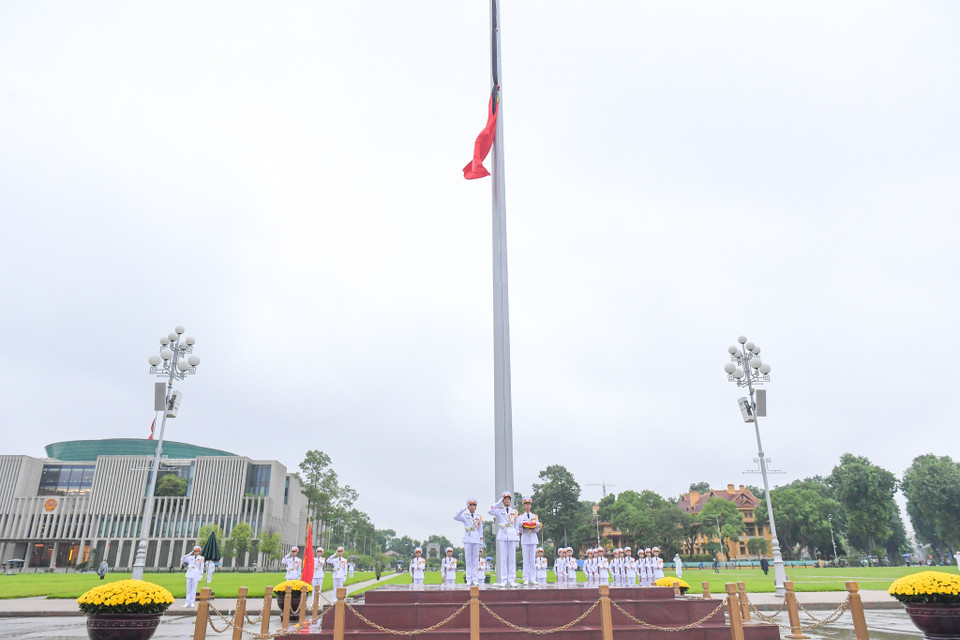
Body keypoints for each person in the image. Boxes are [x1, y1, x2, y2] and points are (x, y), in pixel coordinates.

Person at [488, 492, 520, 586]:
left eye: (508, 499)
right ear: (503, 501)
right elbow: (489, 511)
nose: (507, 501)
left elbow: (516, 525)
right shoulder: (499, 510)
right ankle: (504, 579)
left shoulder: (514, 512)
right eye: (505, 499)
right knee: (503, 559)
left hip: (512, 534)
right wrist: (498, 502)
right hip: (503, 534)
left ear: (510, 500)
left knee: (512, 558)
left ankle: (511, 580)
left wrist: (518, 539)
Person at [454, 499, 484, 586]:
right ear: (468, 507)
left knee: (475, 559)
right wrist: (464, 509)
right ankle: (468, 579)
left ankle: (475, 578)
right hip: (467, 538)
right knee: (468, 559)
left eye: (473, 505)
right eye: (470, 505)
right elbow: (455, 516)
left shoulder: (479, 517)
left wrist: (481, 541)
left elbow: (480, 530)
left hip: (475, 537)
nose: (472, 507)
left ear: (476, 507)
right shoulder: (465, 516)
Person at [518, 497, 543, 585]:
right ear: (524, 505)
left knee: (532, 560)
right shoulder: (521, 516)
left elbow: (536, 530)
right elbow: (520, 529)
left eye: (529, 504)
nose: (527, 506)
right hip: (525, 537)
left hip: (532, 538)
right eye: (526, 504)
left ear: (531, 505)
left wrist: (536, 525)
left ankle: (532, 577)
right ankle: (525, 578)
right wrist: (523, 526)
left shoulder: (534, 516)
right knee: (526, 560)